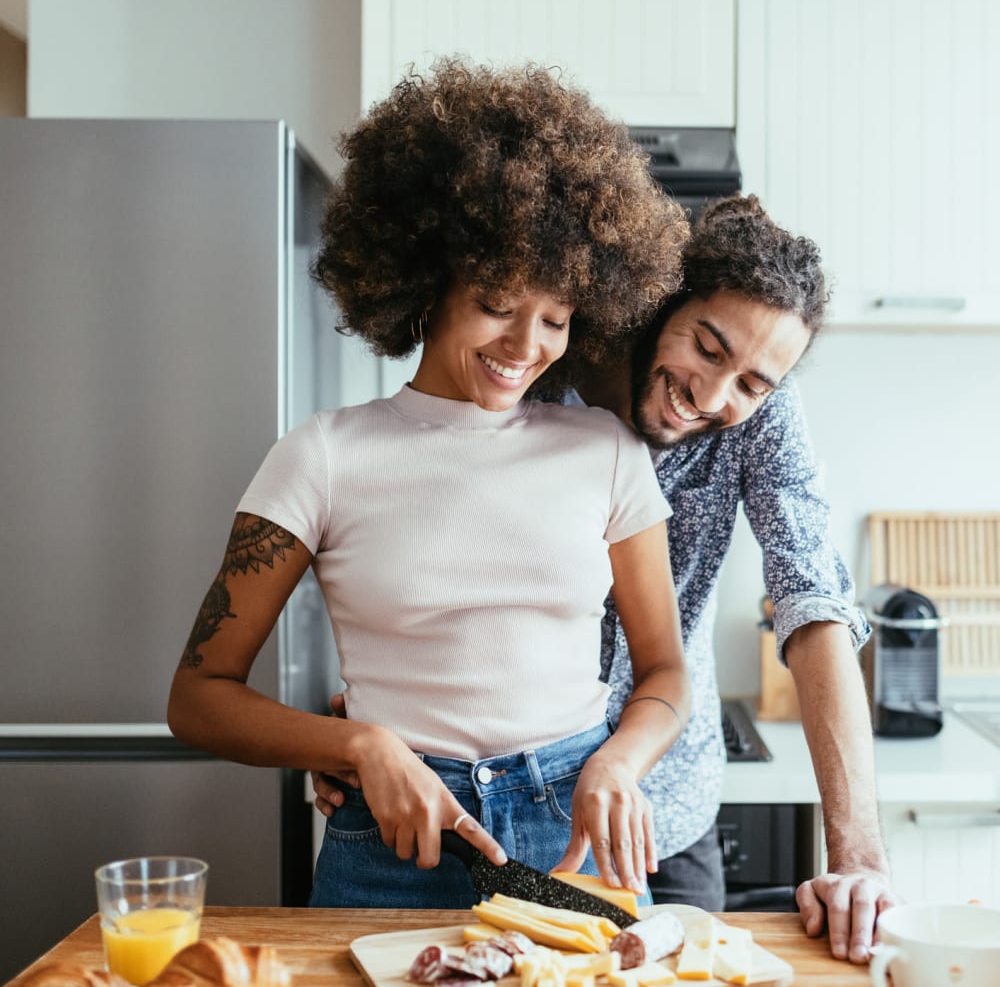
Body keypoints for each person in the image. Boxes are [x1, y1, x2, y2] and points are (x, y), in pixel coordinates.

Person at [167, 57, 694, 909]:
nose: (526, 344)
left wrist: (619, 760)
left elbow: (666, 669)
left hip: (572, 834)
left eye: (556, 318)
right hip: (390, 840)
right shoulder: (323, 456)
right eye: (496, 302)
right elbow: (198, 699)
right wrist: (358, 748)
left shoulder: (605, 451)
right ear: (427, 282)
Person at [313, 194, 897, 961]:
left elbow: (812, 598)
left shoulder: (762, 414)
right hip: (471, 811)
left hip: (657, 816)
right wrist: (373, 719)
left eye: (753, 383)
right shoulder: (532, 371)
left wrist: (857, 857)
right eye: (706, 348)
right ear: (662, 302)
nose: (715, 397)